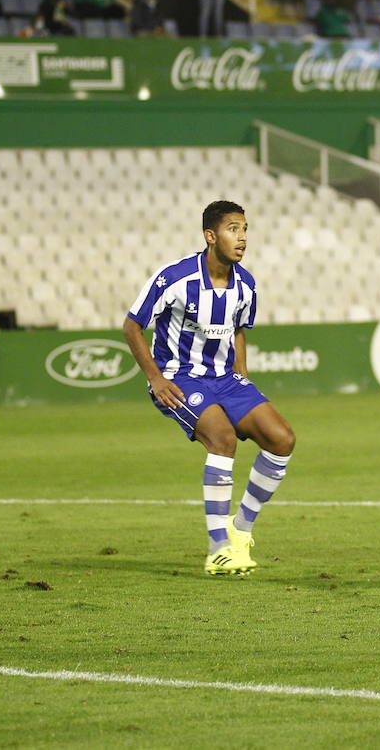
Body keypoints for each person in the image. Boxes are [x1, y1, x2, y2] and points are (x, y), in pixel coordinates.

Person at [123, 201, 296, 578]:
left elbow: (238, 330)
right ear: (210, 236)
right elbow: (132, 326)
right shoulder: (176, 278)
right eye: (234, 228)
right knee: (222, 438)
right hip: (179, 377)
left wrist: (243, 374)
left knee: (281, 439)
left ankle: (240, 530)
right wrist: (156, 378)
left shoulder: (246, 284)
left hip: (225, 379)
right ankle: (218, 548)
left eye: (246, 228)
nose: (243, 237)